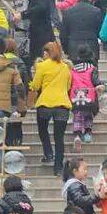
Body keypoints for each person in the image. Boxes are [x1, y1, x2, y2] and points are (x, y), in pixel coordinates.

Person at [31, 41, 73, 174]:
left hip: (45, 103)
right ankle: (58, 168)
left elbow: (36, 85)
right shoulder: (66, 67)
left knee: (42, 130)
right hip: (62, 105)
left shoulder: (41, 66)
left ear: (47, 53)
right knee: (59, 137)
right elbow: (68, 86)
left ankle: (48, 152)